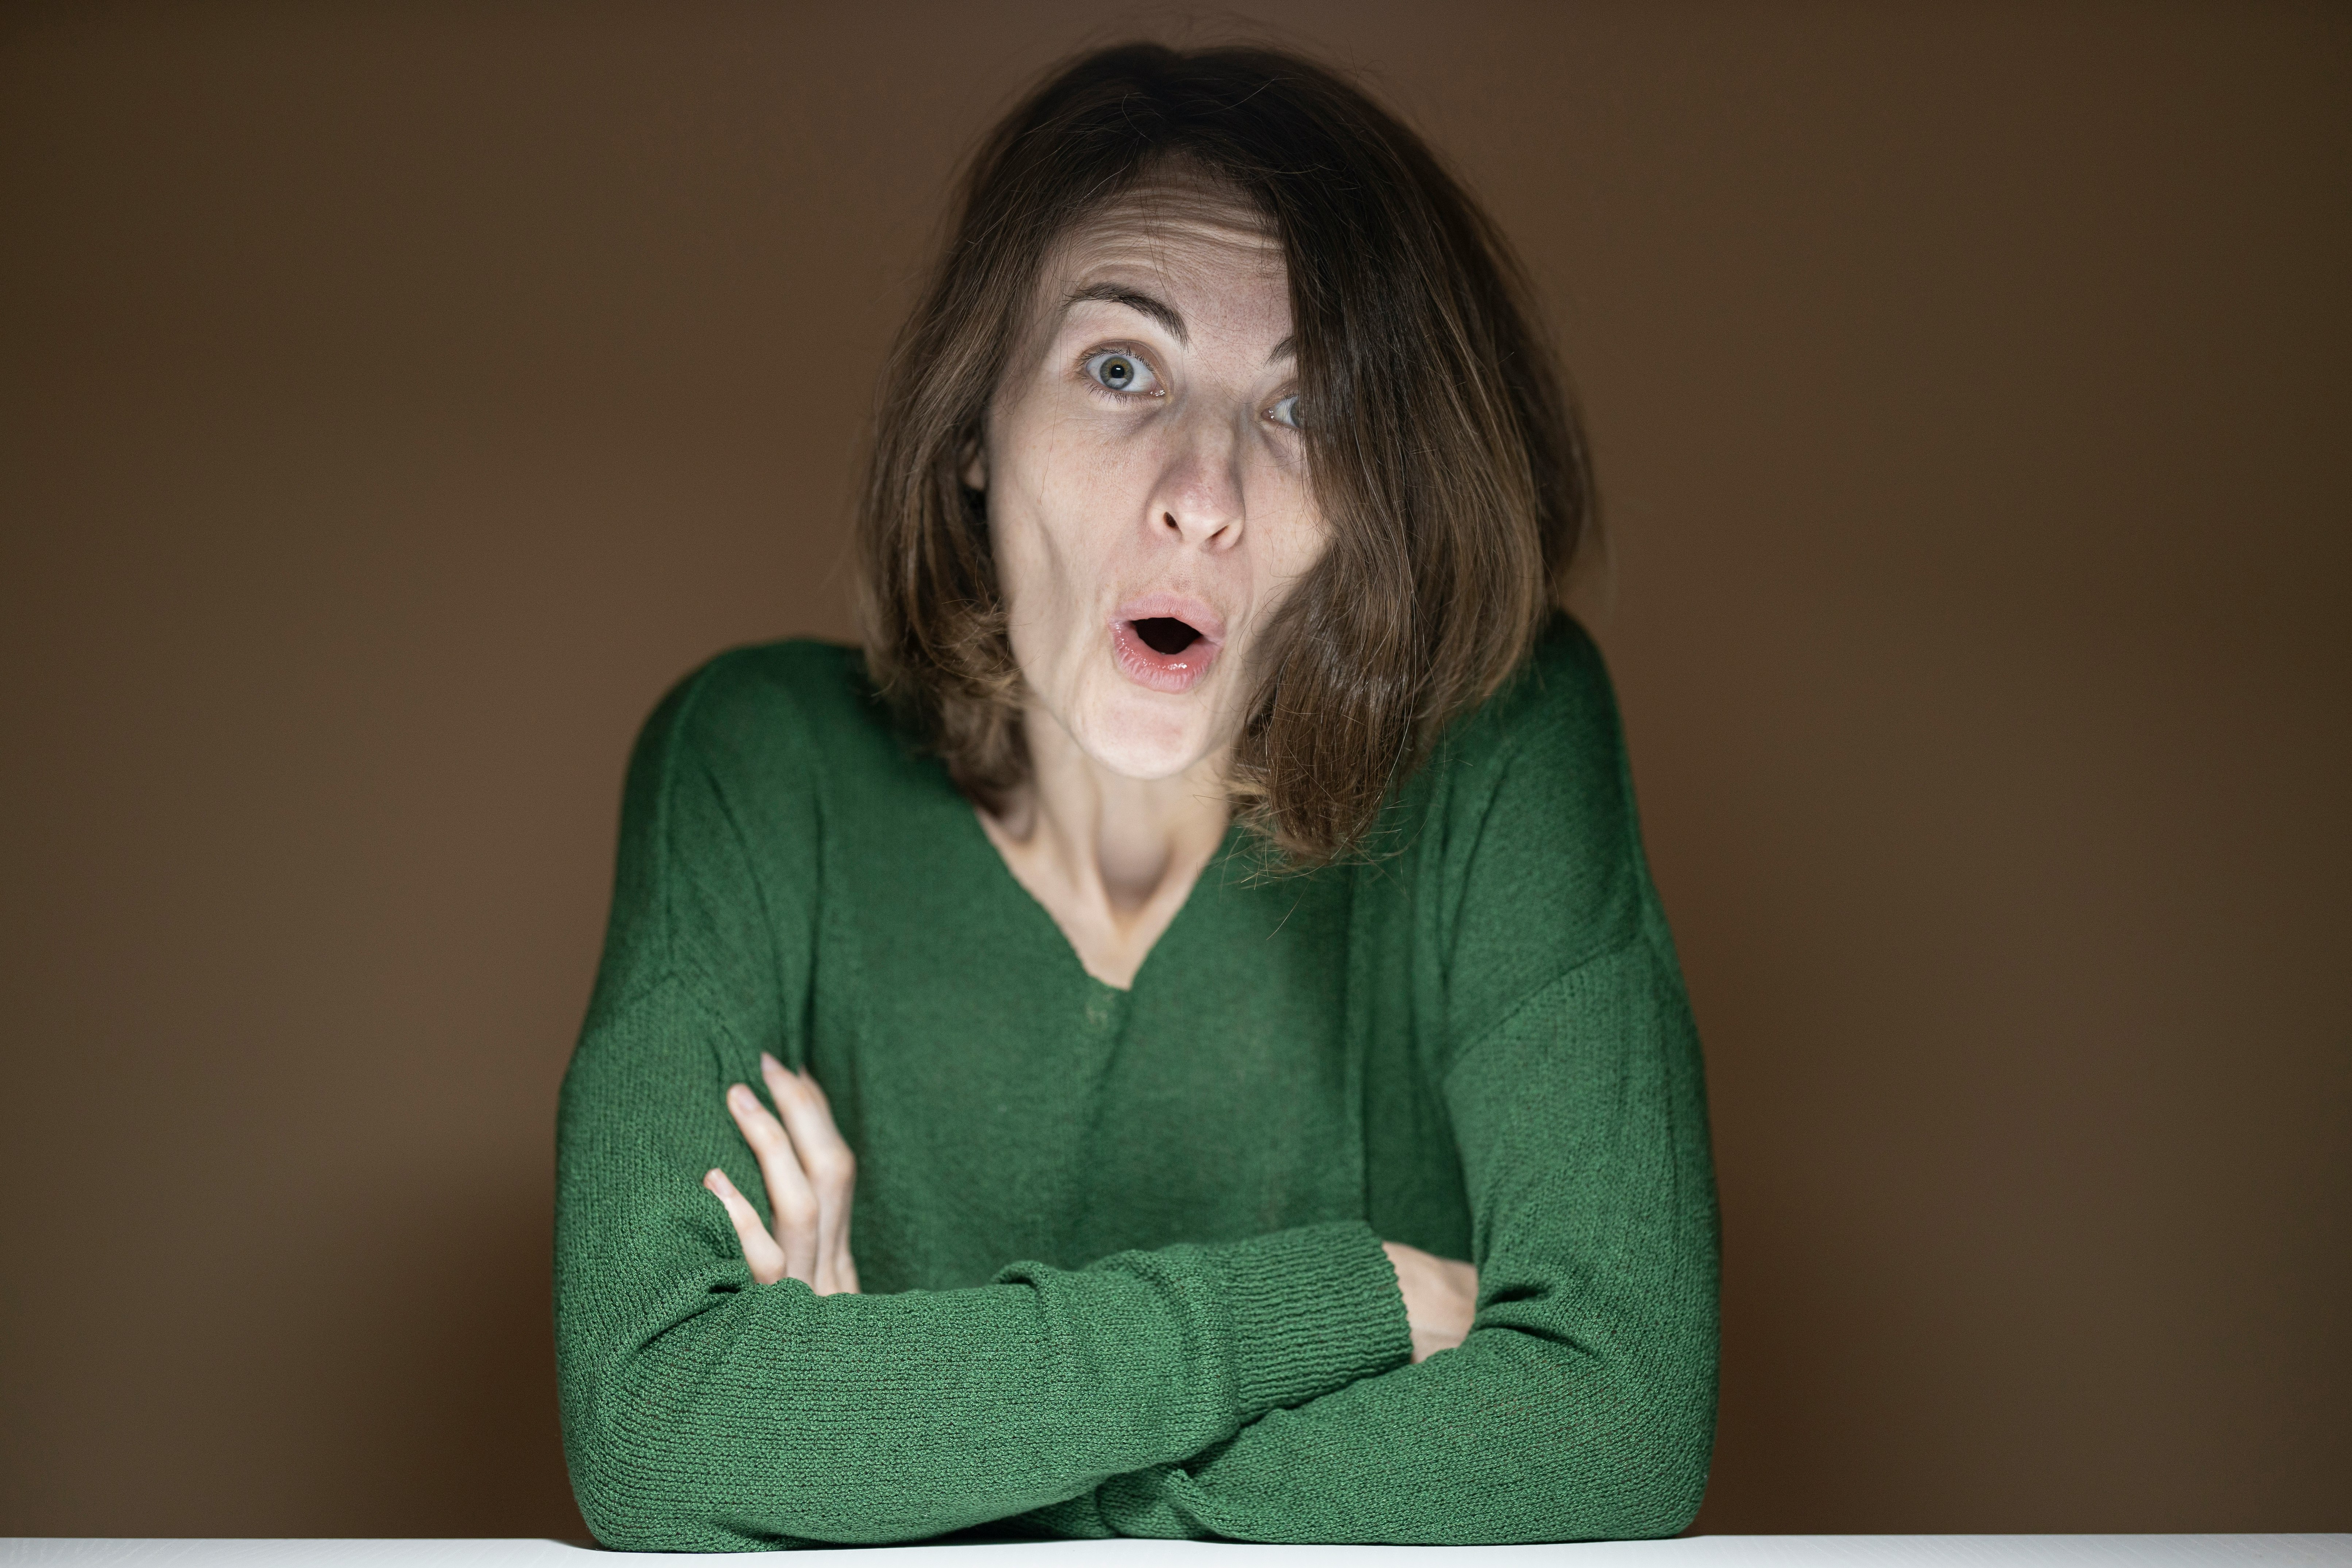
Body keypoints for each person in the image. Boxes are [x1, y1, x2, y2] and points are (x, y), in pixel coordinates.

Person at [554, 41, 1718, 1550]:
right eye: (1120, 368)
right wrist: (1350, 1299)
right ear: (972, 427)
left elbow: (1611, 1423)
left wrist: (909, 1460)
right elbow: (659, 1425)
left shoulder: (1505, 736)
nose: (1205, 490)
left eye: (1305, 408)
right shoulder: (758, 763)